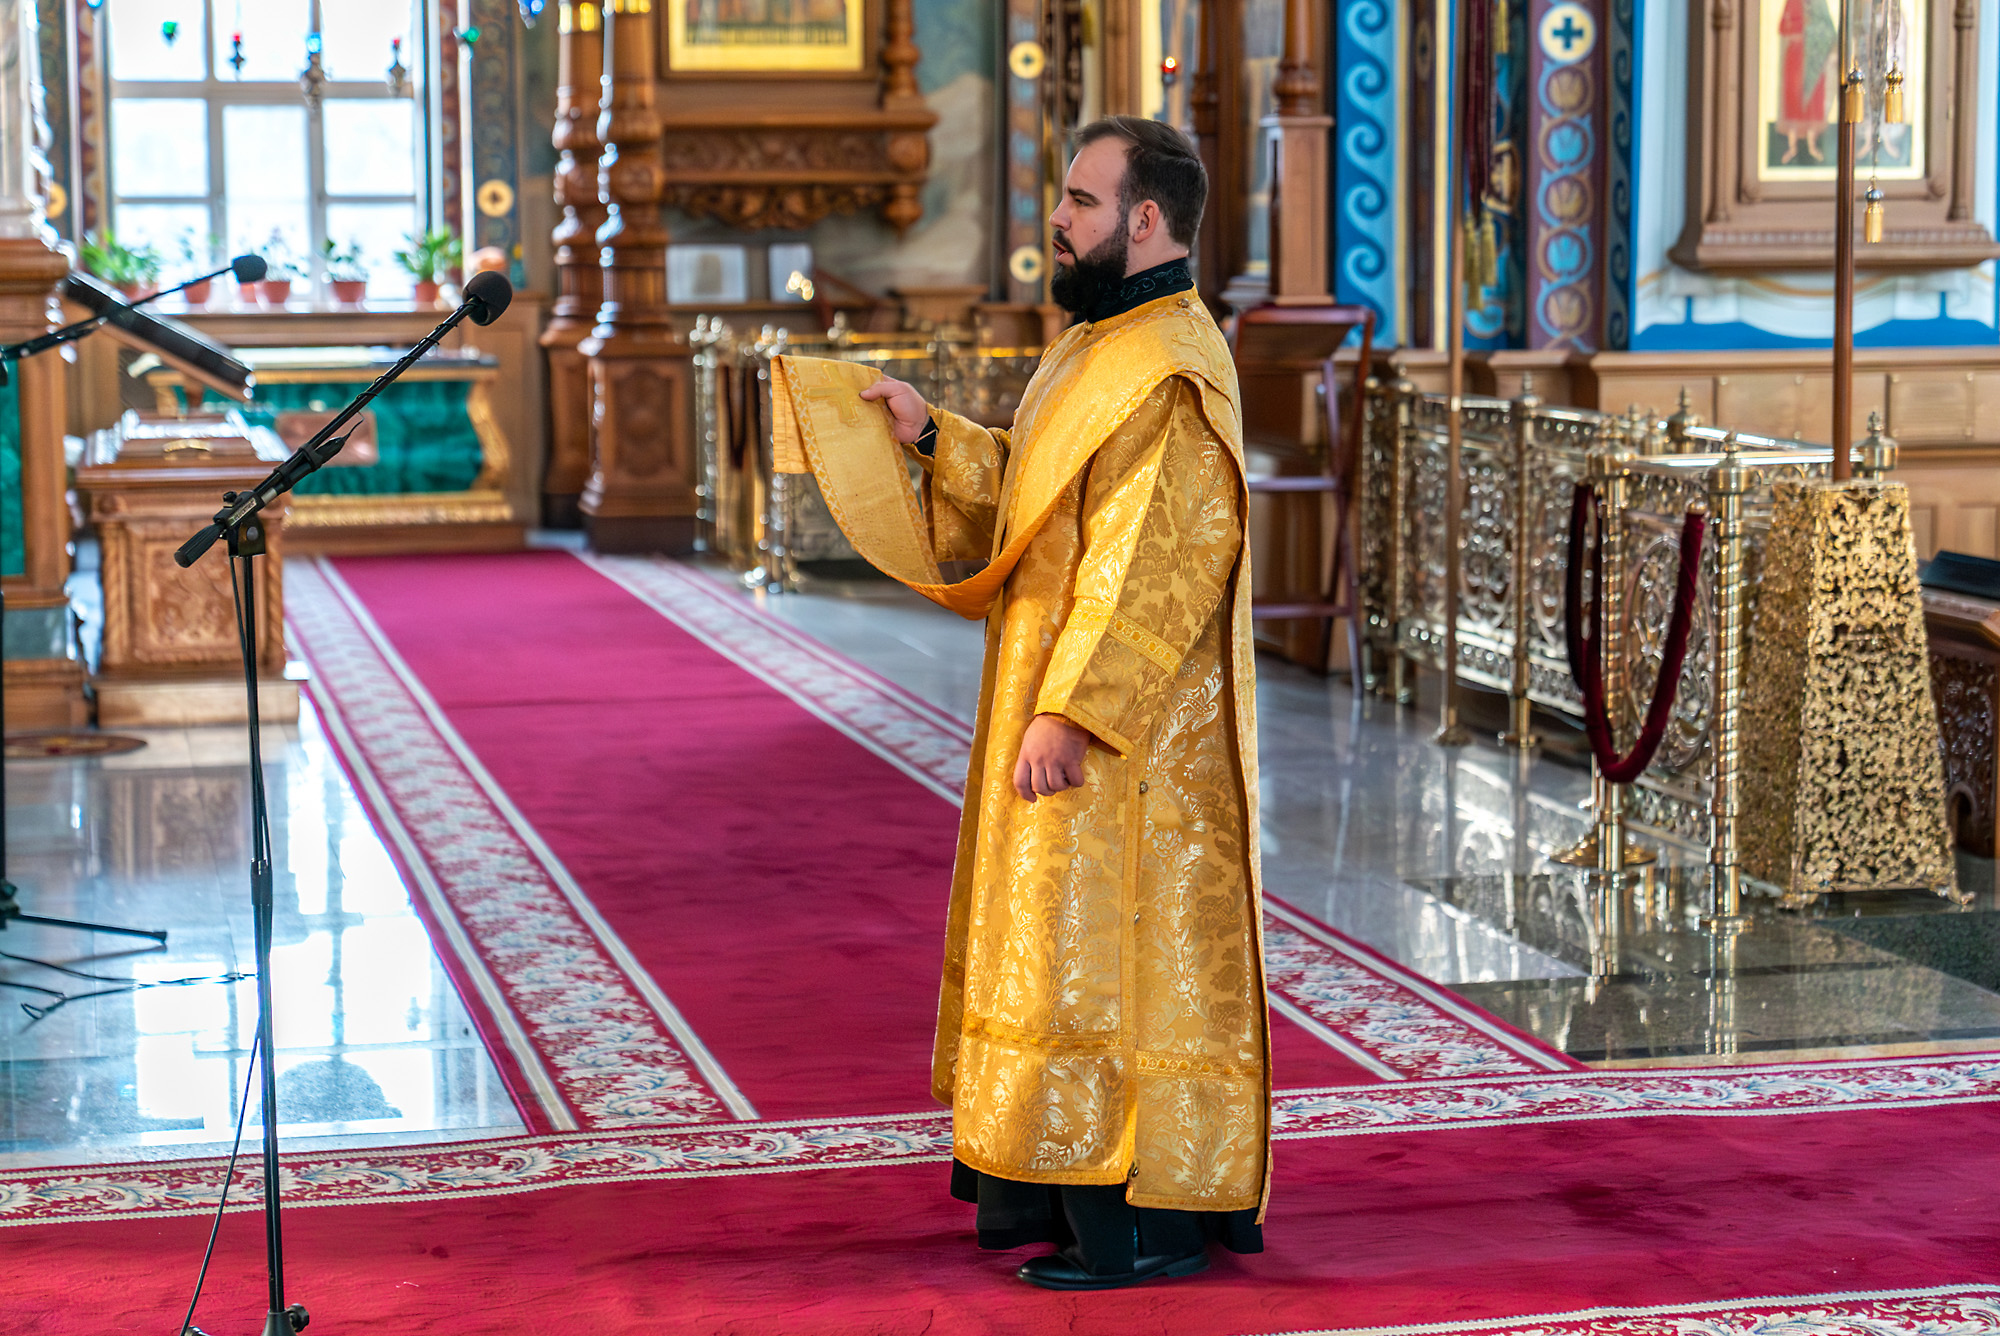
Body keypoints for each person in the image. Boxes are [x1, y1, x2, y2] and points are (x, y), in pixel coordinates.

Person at [789, 115, 1269, 1290]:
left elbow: (1157, 558)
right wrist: (930, 437)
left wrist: (1074, 710)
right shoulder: (1091, 346)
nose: (1056, 218)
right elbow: (1030, 498)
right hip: (1046, 691)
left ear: (1142, 219)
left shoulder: (1170, 367)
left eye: (1079, 200)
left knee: (1108, 960)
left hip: (1127, 741)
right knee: (1049, 952)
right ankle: (1055, 1187)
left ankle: (1141, 1219)